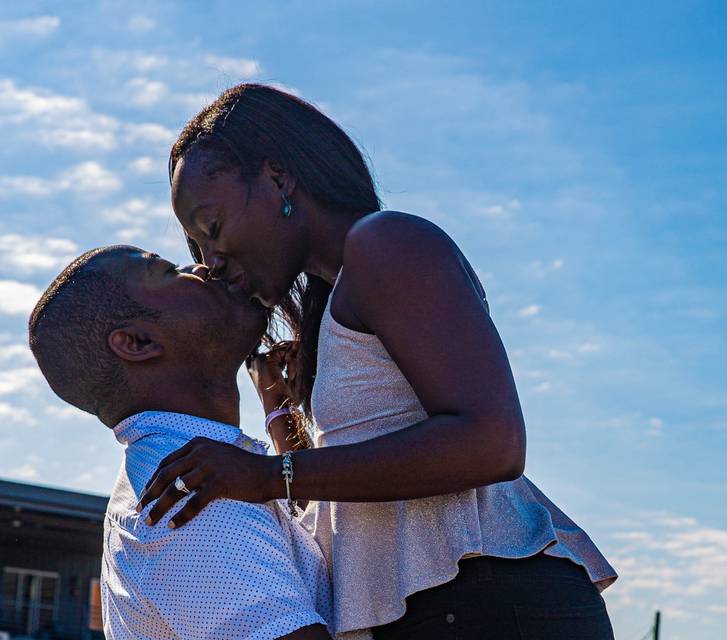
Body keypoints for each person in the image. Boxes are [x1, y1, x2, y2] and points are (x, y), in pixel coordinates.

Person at [138, 83, 618, 639]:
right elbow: (352, 507)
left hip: (491, 600)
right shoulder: (338, 297)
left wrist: (269, 475)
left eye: (212, 228)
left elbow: (493, 442)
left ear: (276, 178)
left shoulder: (387, 242)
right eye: (197, 247)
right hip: (444, 608)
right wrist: (282, 423)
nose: (212, 261)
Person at [28, 245, 335, 640]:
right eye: (170, 271)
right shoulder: (189, 498)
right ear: (137, 342)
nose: (204, 267)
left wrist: (278, 413)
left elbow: (312, 536)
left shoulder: (199, 470)